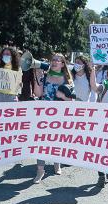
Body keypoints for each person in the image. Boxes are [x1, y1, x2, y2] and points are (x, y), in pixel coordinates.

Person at [32, 53, 74, 183]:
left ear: (62, 64)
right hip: (44, 114)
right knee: (40, 142)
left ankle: (57, 163)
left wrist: (63, 97)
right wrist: (37, 77)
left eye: (58, 60)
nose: (55, 62)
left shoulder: (68, 80)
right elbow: (38, 93)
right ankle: (40, 170)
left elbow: (72, 101)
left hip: (60, 115)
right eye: (53, 59)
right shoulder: (44, 76)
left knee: (58, 141)